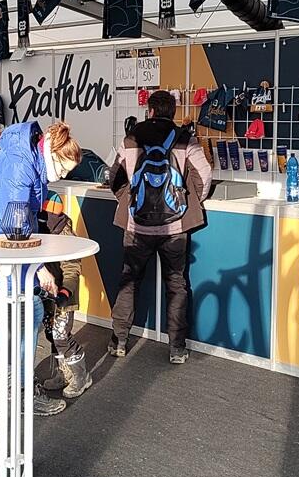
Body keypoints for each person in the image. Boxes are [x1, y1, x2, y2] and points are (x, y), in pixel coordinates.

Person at [0, 121, 82, 416]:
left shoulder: (26, 158)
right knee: (25, 313)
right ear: (53, 153)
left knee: (16, 314)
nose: (62, 176)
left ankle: (14, 386)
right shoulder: (22, 165)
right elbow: (15, 226)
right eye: (63, 169)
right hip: (2, 245)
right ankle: (20, 391)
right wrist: (40, 268)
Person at [109, 90, 212, 364]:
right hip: (174, 227)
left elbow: (114, 177)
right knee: (176, 284)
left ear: (150, 111)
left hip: (137, 227)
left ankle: (119, 341)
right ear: (173, 112)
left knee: (129, 281)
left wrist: (129, 201)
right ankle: (177, 348)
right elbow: (204, 176)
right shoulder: (185, 138)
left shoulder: (131, 138)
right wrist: (187, 202)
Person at [38, 203, 92, 398]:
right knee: (51, 334)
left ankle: (81, 376)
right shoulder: (36, 228)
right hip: (46, 295)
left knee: (61, 335)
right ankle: (63, 372)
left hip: (63, 295)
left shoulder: (63, 233)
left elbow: (72, 267)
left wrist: (64, 293)